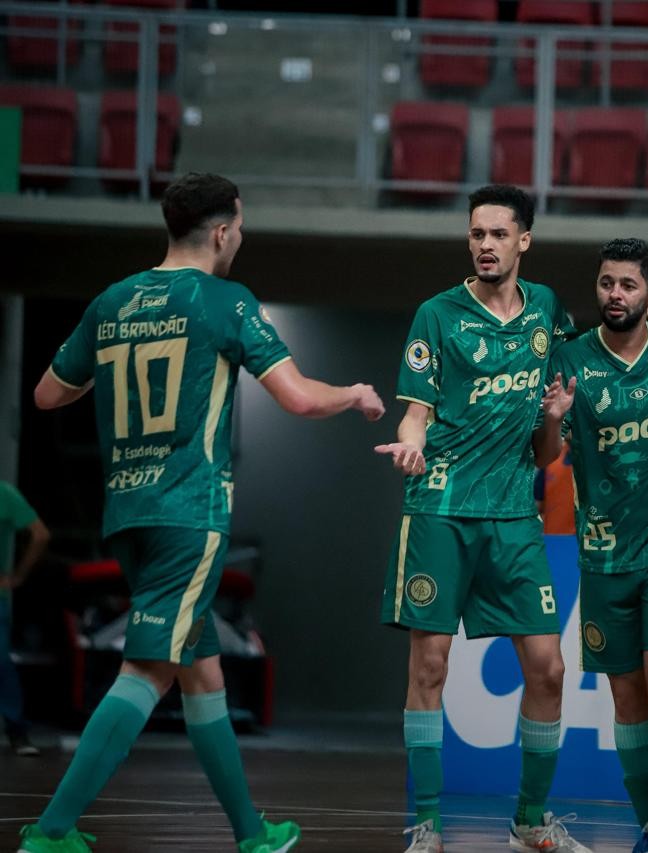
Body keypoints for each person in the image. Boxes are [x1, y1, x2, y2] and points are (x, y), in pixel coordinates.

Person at [22, 172, 385, 853]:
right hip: (189, 513)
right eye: (239, 227)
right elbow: (300, 397)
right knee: (146, 671)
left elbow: (47, 394)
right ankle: (50, 833)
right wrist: (356, 394)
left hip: (126, 512)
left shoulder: (112, 300)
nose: (240, 237)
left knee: (203, 672)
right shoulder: (225, 300)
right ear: (221, 232)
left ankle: (252, 833)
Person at [375, 186, 648, 853]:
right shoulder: (437, 314)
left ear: (524, 241)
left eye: (498, 234)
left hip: (517, 515)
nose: (485, 245)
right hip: (440, 509)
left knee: (548, 670)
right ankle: (426, 826)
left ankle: (529, 822)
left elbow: (554, 442)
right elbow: (414, 412)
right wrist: (411, 442)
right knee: (429, 667)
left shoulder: (548, 310)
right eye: (476, 234)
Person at [533, 238, 648, 853]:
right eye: (607, 283)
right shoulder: (571, 358)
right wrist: (555, 417)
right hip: (604, 555)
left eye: (628, 285)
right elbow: (544, 456)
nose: (615, 294)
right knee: (626, 696)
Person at [0, 480, 50, 756]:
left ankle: (17, 729)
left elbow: (40, 534)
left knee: (1, 661)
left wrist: (18, 576)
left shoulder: (4, 494)